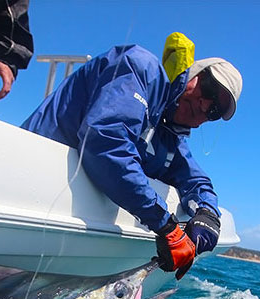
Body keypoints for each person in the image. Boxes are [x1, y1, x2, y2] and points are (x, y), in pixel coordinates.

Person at [22, 33, 242, 279]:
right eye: (208, 88)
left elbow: (197, 181)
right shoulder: (141, 68)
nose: (203, 104)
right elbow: (106, 142)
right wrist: (165, 225)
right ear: (194, 73)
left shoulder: (171, 138)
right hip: (29, 183)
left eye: (214, 109)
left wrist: (208, 214)